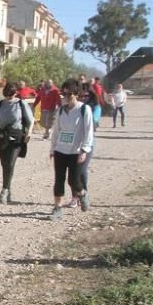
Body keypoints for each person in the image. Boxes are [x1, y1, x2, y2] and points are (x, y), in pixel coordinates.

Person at [49, 79, 94, 220]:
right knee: (59, 179)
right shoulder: (61, 110)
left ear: (76, 94)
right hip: (61, 150)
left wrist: (85, 150)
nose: (65, 97)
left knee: (73, 180)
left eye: (68, 94)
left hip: (76, 151)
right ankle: (58, 208)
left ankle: (82, 194)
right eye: (64, 94)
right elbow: (56, 130)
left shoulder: (84, 109)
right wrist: (52, 149)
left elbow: (89, 131)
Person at [0, 82, 34, 205]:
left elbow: (30, 121)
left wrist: (29, 133)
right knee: (4, 165)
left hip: (17, 137)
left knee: (10, 163)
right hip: (3, 137)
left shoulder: (21, 104)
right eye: (7, 95)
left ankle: (4, 191)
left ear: (16, 93)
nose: (9, 97)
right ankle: (8, 189)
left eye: (11, 95)